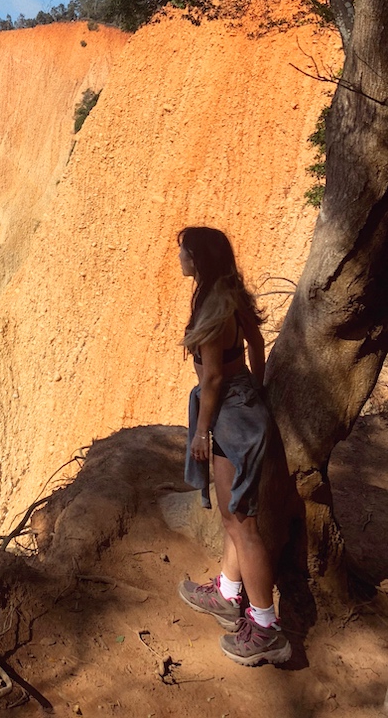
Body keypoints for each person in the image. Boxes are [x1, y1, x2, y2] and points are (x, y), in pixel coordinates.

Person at [175, 226, 291, 666]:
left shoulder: (211, 308)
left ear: (199, 258)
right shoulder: (229, 294)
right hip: (240, 404)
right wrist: (255, 390)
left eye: (185, 252)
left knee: (243, 525)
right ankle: (227, 594)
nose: (180, 258)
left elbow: (212, 379)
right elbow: (256, 344)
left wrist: (202, 432)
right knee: (232, 515)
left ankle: (266, 628)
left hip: (227, 413)